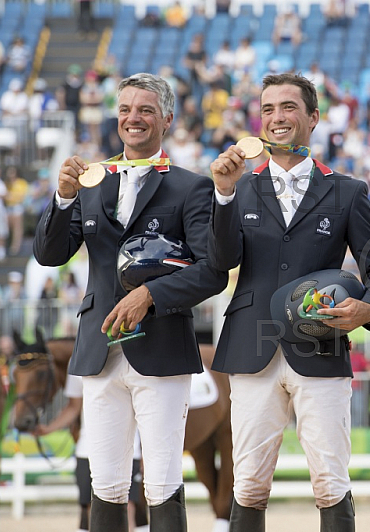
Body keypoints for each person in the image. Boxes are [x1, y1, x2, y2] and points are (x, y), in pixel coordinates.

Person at [33, 72, 228, 531]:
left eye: (144, 110)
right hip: (99, 351)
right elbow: (49, 254)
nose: (132, 118)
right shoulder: (91, 182)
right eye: (124, 110)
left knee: (161, 481)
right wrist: (62, 199)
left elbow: (212, 270)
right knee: (106, 482)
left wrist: (150, 295)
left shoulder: (191, 187)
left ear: (167, 119)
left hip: (161, 348)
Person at [208, 72, 370, 531]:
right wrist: (224, 195)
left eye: (288, 107)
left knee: (331, 481)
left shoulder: (348, 191)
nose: (277, 117)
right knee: (248, 484)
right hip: (251, 348)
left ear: (313, 118)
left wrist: (368, 308)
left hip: (322, 346)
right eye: (268, 109)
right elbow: (220, 261)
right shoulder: (236, 186)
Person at [33, 372, 149, 532]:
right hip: (88, 449)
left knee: (128, 507)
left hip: (130, 448)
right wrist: (48, 429)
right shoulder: (78, 359)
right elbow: (74, 406)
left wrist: (146, 450)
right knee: (91, 508)